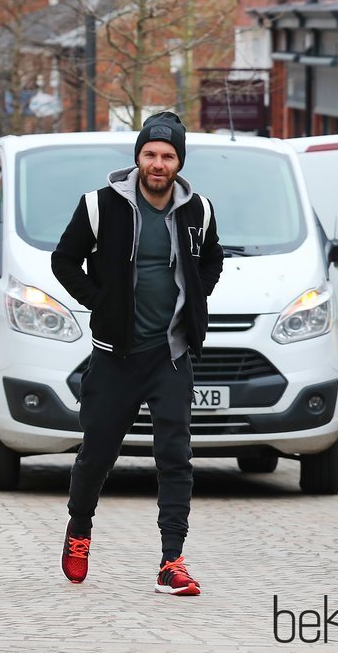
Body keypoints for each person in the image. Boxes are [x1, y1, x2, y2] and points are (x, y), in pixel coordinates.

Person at [50, 111, 223, 596]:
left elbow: (213, 257)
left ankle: (172, 560)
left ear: (179, 162)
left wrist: (196, 298)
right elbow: (63, 259)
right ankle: (79, 529)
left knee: (175, 458)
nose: (158, 163)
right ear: (137, 158)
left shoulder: (199, 210)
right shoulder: (100, 205)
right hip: (115, 357)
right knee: (97, 455)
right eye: (150, 154)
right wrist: (98, 300)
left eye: (167, 156)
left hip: (170, 356)